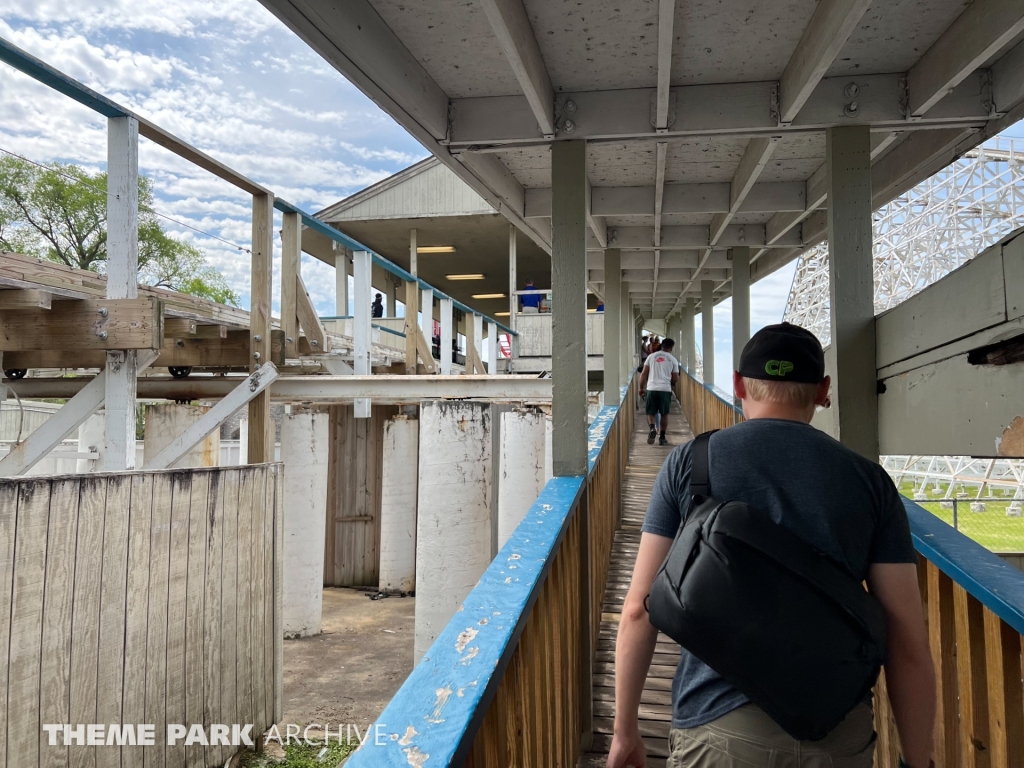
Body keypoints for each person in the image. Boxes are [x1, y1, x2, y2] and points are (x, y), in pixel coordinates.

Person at [608, 323, 936, 768]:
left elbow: (637, 610)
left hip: (718, 728)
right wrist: (918, 761)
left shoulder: (692, 462)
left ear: (739, 383)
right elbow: (908, 644)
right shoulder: (869, 481)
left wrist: (625, 730)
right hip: (837, 728)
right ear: (823, 391)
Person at [639, 337, 678, 447]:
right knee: (664, 414)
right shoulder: (673, 359)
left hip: (651, 388)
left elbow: (643, 373)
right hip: (665, 389)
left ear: (662, 345)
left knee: (650, 412)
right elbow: (675, 378)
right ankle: (662, 437)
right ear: (671, 348)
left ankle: (652, 428)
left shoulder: (651, 357)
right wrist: (667, 378)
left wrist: (641, 388)